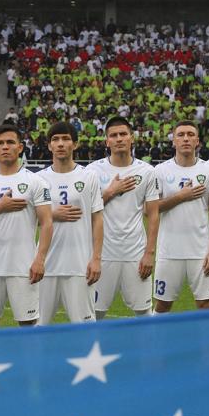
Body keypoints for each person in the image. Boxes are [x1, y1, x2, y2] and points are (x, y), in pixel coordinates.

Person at [0, 124, 53, 329]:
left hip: (24, 267)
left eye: (10, 142)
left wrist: (39, 260)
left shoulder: (35, 182)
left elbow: (47, 223)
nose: (5, 147)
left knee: (28, 325)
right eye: (0, 143)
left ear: (20, 147)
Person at [89, 116, 159, 319]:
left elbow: (153, 214)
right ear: (107, 141)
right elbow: (87, 212)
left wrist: (149, 253)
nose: (119, 139)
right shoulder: (92, 171)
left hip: (135, 252)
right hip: (102, 254)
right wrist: (111, 191)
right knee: (95, 313)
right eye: (113, 135)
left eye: (123, 134)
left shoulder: (147, 171)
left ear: (132, 138)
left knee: (143, 312)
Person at [36, 122, 104, 325]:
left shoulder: (89, 176)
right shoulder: (38, 179)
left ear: (75, 144)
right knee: (38, 327)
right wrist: (51, 214)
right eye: (55, 139)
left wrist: (96, 259)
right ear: (49, 145)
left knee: (84, 327)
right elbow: (28, 219)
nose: (60, 143)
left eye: (65, 139)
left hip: (80, 265)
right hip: (45, 266)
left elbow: (98, 219)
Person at [152, 120, 209, 312]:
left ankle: (206, 335)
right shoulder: (160, 171)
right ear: (174, 140)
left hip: (200, 252)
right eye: (181, 135)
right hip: (168, 251)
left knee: (206, 304)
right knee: (163, 304)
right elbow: (149, 210)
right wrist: (180, 196)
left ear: (197, 141)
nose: (185, 139)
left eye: (190, 135)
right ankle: (156, 334)